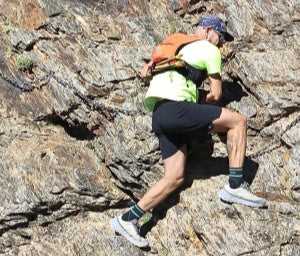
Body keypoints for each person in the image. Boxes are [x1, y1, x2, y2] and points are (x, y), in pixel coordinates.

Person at [110, 15, 266, 248]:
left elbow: (147, 73)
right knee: (238, 122)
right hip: (177, 110)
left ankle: (127, 219)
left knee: (174, 177)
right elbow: (215, 94)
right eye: (220, 36)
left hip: (160, 114)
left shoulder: (174, 47)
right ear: (206, 31)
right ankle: (235, 185)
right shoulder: (208, 49)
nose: (221, 43)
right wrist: (205, 104)